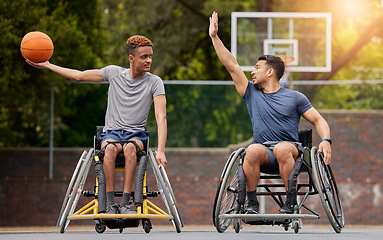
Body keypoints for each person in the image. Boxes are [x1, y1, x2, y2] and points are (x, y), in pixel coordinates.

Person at [27, 35, 168, 215]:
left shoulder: (155, 82)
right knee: (109, 150)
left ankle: (125, 204)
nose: (149, 60)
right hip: (112, 133)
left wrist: (161, 150)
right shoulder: (114, 73)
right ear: (131, 58)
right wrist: (47, 65)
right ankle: (109, 205)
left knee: (131, 149)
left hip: (136, 135)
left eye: (150, 56)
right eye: (144, 57)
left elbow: (160, 116)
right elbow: (79, 76)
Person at [209, 12, 332, 214]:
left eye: (257, 68)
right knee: (251, 150)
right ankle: (251, 203)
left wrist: (326, 140)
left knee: (282, 149)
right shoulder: (251, 92)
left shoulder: (295, 97)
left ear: (270, 72)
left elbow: (318, 120)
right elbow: (232, 65)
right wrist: (214, 37)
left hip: (289, 149)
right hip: (263, 152)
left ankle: (290, 202)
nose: (252, 72)